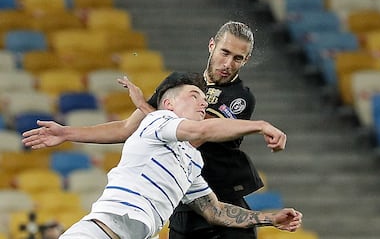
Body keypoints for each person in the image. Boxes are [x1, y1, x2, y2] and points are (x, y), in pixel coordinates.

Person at [22, 21, 284, 239]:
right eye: (225, 53)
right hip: (179, 202)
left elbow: (197, 134)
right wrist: (67, 133)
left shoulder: (239, 98)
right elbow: (127, 128)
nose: (228, 63)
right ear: (211, 45)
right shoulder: (181, 87)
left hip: (216, 193)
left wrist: (272, 218)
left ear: (246, 60)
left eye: (238, 58)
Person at [55, 72, 302, 239]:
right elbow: (204, 129)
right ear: (169, 104)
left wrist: (271, 218)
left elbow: (215, 211)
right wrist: (260, 125)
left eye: (205, 100)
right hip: (98, 233)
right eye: (194, 96)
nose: (202, 103)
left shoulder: (191, 162)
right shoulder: (158, 120)